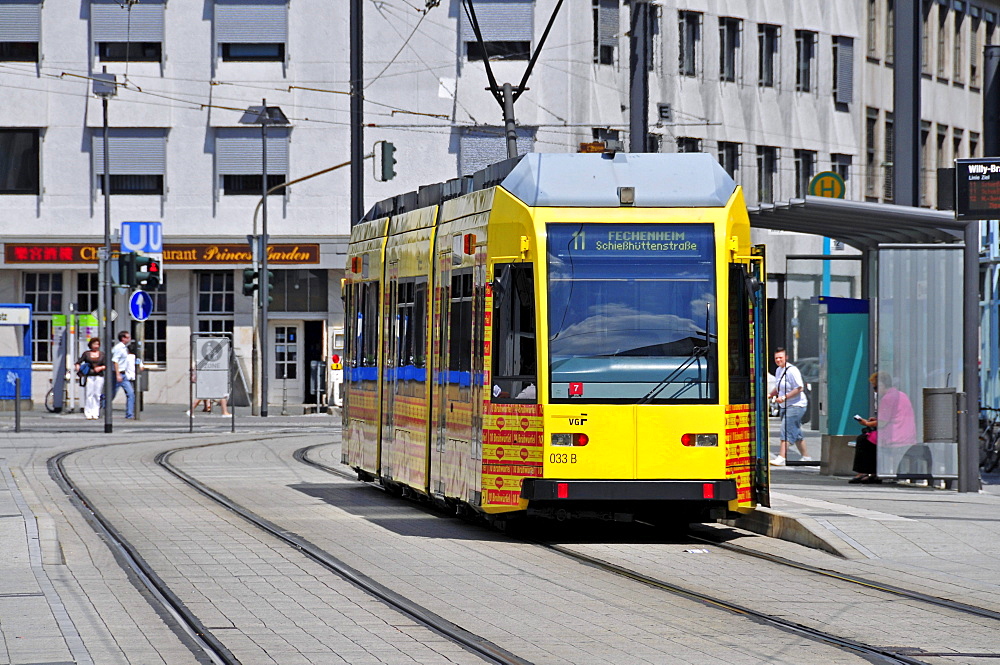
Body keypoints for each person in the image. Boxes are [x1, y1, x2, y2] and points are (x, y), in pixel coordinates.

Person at [850, 372, 917, 483]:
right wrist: (874, 421)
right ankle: (874, 472)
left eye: (875, 388)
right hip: (907, 435)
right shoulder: (901, 395)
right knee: (870, 439)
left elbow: (882, 423)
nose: (875, 391)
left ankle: (864, 472)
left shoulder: (887, 398)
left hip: (895, 435)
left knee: (863, 440)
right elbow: (893, 417)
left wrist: (866, 423)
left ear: (882, 385)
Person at [768, 348, 812, 465]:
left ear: (786, 358)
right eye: (776, 358)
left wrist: (784, 397)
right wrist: (770, 394)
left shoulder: (792, 371)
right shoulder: (778, 370)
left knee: (786, 429)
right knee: (796, 432)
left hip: (797, 405)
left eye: (780, 358)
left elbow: (799, 388)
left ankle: (781, 457)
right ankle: (806, 456)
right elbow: (778, 387)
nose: (778, 360)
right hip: (785, 405)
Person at [75, 337, 107, 420]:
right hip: (89, 375)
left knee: (97, 394)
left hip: (99, 375)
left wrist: (100, 368)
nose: (96, 346)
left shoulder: (102, 354)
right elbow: (78, 362)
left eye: (97, 344)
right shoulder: (86, 354)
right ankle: (88, 412)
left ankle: (95, 412)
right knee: (89, 394)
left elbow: (106, 365)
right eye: (94, 344)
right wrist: (78, 367)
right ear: (91, 345)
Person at [111, 330, 135, 419]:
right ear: (123, 338)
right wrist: (117, 374)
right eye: (128, 337)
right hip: (117, 374)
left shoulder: (124, 348)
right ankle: (101, 407)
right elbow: (115, 361)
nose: (130, 339)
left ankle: (129, 414)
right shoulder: (118, 348)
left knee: (131, 393)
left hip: (123, 374)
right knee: (111, 394)